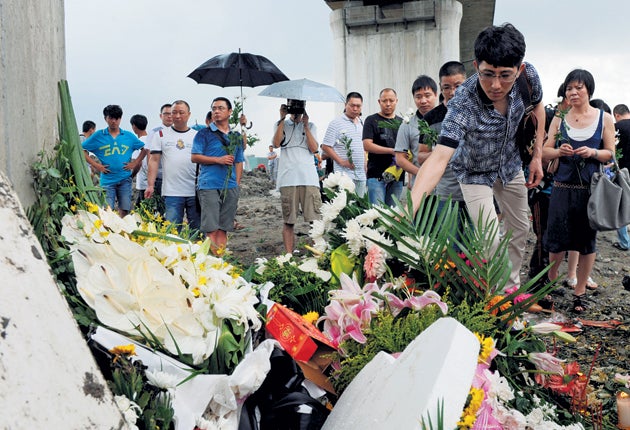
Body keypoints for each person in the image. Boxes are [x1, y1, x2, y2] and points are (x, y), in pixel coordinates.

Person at [408, 23, 546, 291]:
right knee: (490, 238)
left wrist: (537, 156)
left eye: (505, 75)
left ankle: (510, 291)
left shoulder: (529, 78)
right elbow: (439, 157)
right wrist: (409, 207)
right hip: (473, 173)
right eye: (487, 74)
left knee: (520, 230)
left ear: (518, 69)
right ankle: (492, 296)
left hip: (510, 166)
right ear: (475, 66)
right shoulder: (463, 101)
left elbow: (538, 108)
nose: (496, 85)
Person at [543, 69, 615, 313]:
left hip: (589, 191)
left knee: (587, 242)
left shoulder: (603, 118)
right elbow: (544, 151)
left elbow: (610, 153)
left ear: (589, 90)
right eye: (569, 88)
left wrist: (593, 153)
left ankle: (580, 293)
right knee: (556, 242)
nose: (573, 92)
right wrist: (559, 152)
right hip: (562, 188)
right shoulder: (559, 117)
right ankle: (549, 288)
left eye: (578, 88)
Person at [419, 61, 469, 239]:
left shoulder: (478, 111)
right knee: (450, 246)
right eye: (447, 87)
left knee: (477, 248)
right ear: (441, 87)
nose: (453, 91)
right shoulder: (431, 118)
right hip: (446, 194)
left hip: (474, 191)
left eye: (458, 85)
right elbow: (420, 156)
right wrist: (442, 153)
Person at [191, 97, 246, 254]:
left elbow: (239, 161)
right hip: (209, 185)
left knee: (224, 227)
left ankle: (220, 261)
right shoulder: (203, 134)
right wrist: (218, 160)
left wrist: (236, 183)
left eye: (221, 108)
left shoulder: (235, 136)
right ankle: (211, 262)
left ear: (230, 112)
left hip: (230, 186)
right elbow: (195, 157)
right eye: (214, 108)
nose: (216, 111)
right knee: (211, 228)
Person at [272, 99, 322, 253]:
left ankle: (317, 254)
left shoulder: (311, 126)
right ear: (287, 104)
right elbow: (276, 144)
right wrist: (282, 118)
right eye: (293, 104)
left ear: (305, 105)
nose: (296, 108)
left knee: (315, 220)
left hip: (309, 179)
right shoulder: (281, 124)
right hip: (288, 178)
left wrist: (305, 125)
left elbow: (314, 149)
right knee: (288, 221)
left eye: (299, 104)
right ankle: (288, 256)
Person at [82, 104, 147, 217]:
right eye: (110, 118)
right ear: (105, 118)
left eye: (117, 118)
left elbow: (144, 149)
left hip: (125, 179)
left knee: (125, 210)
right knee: (107, 211)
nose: (114, 121)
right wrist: (97, 166)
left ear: (120, 119)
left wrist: (135, 163)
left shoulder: (128, 136)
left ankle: (123, 232)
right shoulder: (98, 135)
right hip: (107, 181)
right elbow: (82, 150)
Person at [145, 100, 200, 231]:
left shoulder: (196, 136)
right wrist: (150, 185)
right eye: (174, 112)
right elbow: (154, 160)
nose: (177, 116)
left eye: (181, 112)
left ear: (189, 114)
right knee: (172, 231)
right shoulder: (161, 135)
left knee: (197, 230)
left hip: (195, 191)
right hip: (172, 192)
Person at [394, 75, 438, 187]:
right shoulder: (407, 125)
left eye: (427, 95)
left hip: (446, 187)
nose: (423, 101)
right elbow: (400, 158)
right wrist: (420, 173)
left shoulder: (447, 120)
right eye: (418, 97)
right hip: (420, 185)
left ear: (436, 95)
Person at [362, 88, 403, 206]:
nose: (388, 104)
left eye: (391, 100)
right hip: (376, 176)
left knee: (392, 215)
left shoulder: (402, 123)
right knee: (377, 214)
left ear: (396, 101)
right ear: (379, 102)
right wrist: (391, 151)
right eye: (385, 101)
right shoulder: (371, 120)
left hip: (397, 176)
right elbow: (367, 144)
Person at [321, 92, 366, 196]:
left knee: (360, 208)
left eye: (358, 106)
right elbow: (326, 146)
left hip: (361, 175)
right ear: (345, 105)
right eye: (352, 105)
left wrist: (365, 163)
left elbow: (362, 147)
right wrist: (341, 161)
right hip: (344, 174)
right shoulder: (336, 123)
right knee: (346, 207)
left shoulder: (361, 123)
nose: (355, 109)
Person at [612, 103, 630, 251]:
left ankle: (625, 242)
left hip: (623, 172)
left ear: (616, 115)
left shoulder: (616, 128)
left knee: (622, 206)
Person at [129, 114, 148, 208]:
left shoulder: (138, 142)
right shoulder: (151, 139)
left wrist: (131, 176)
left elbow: (138, 163)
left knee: (142, 211)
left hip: (143, 182)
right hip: (153, 181)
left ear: (134, 126)